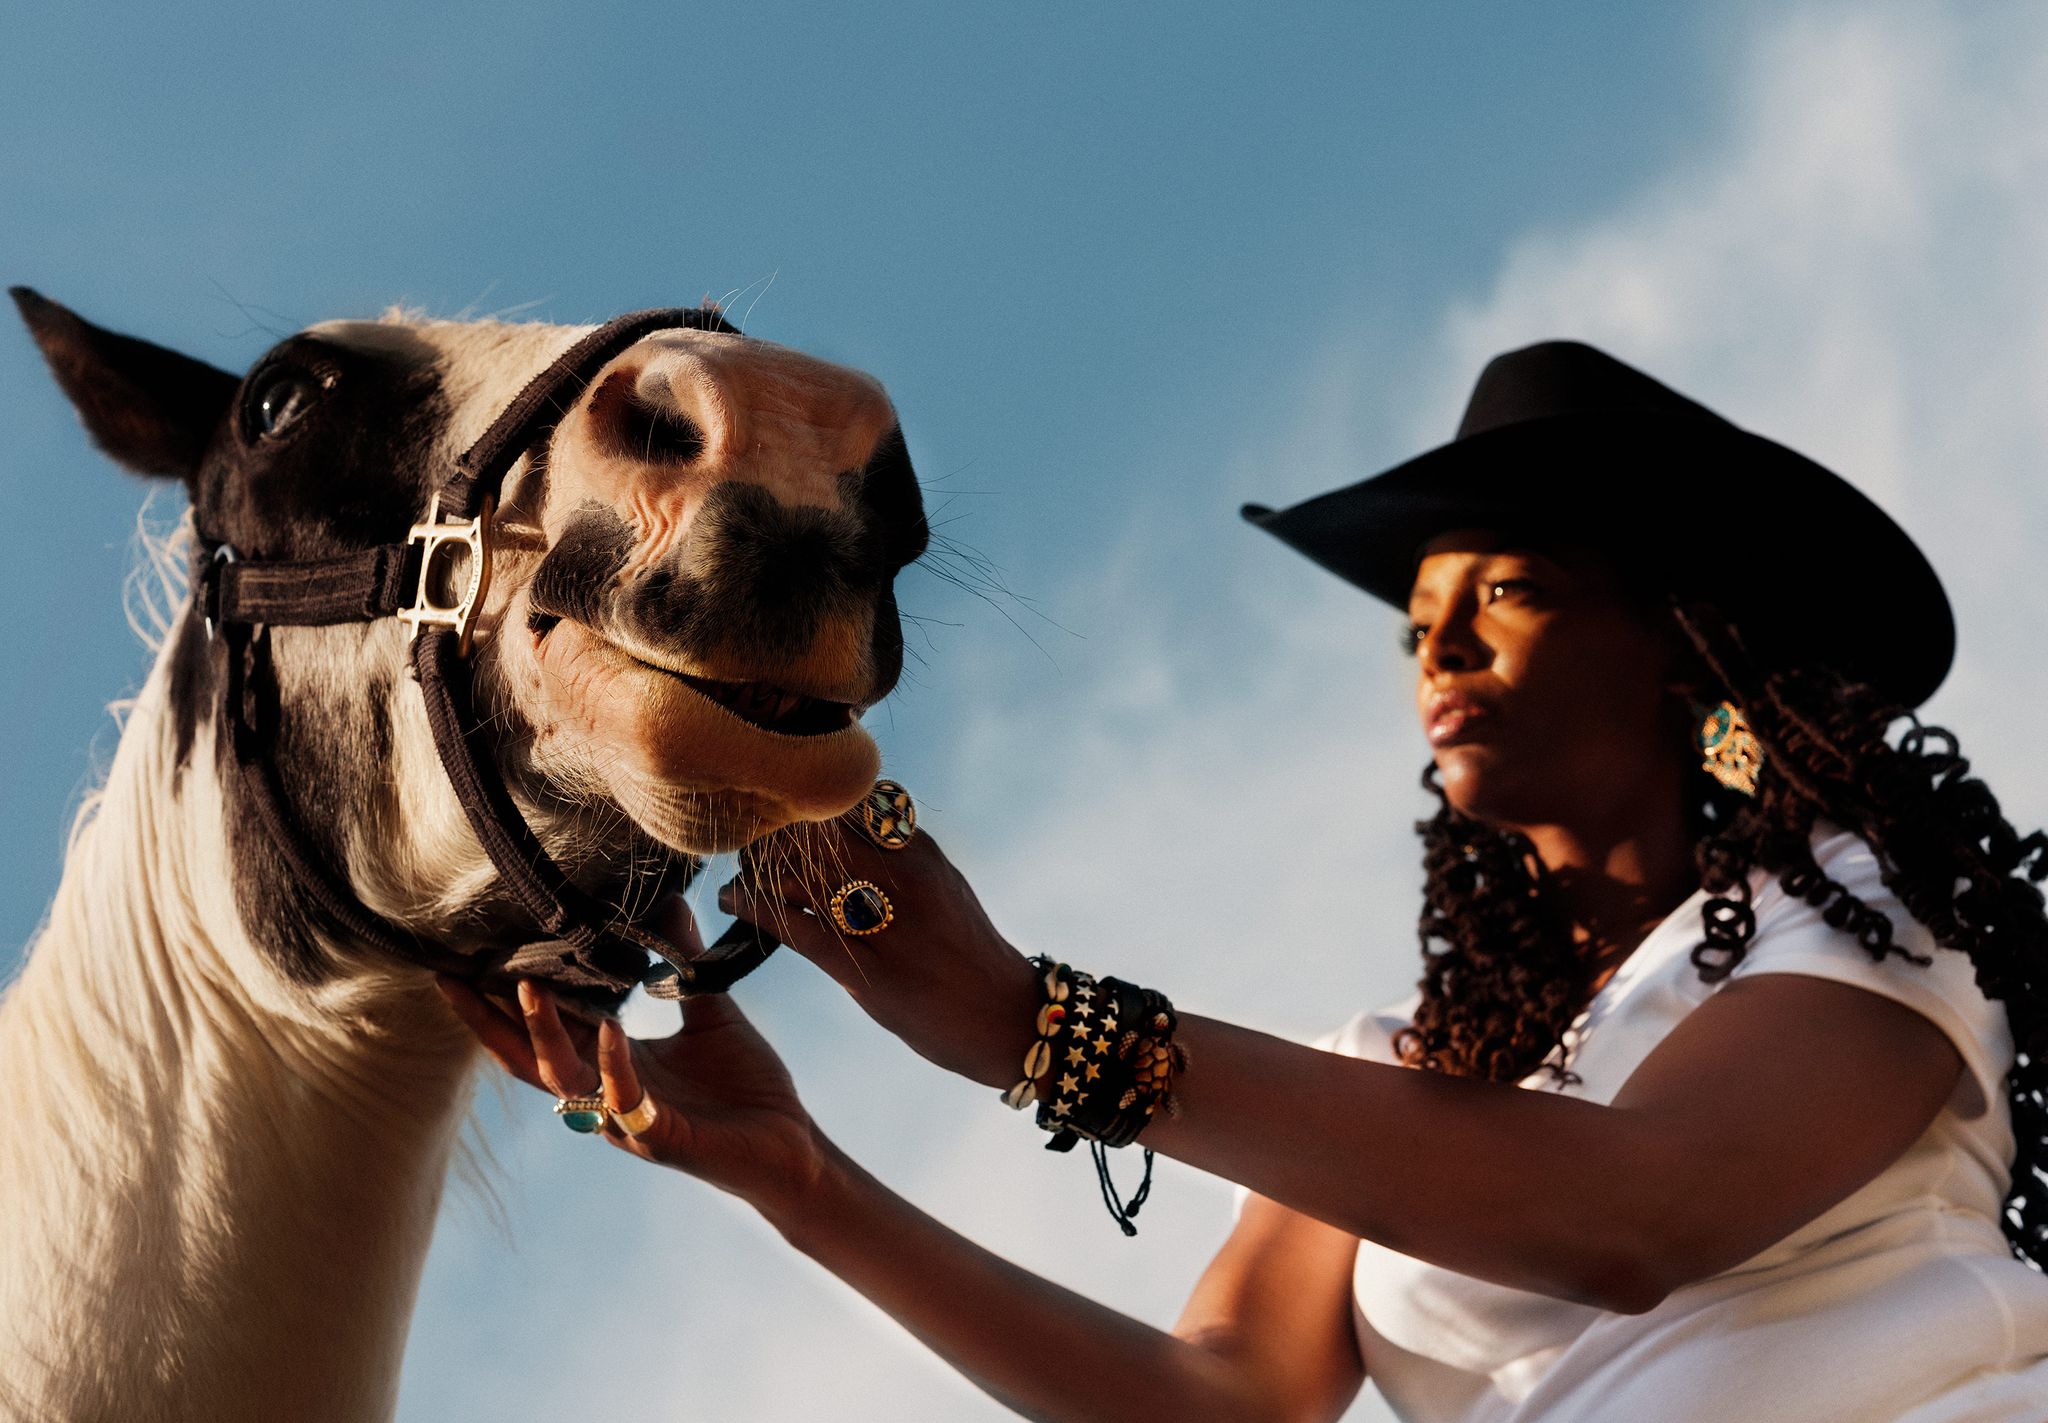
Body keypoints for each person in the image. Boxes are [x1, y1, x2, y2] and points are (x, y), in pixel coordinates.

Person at [440, 341, 2048, 1422]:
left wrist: (1028, 1024)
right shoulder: (1409, 1077)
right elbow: (1217, 1402)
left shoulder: (1860, 927)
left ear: (1687, 640)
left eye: (1514, 589)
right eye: (1420, 614)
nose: (1444, 642)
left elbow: (1629, 1214)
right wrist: (801, 1178)